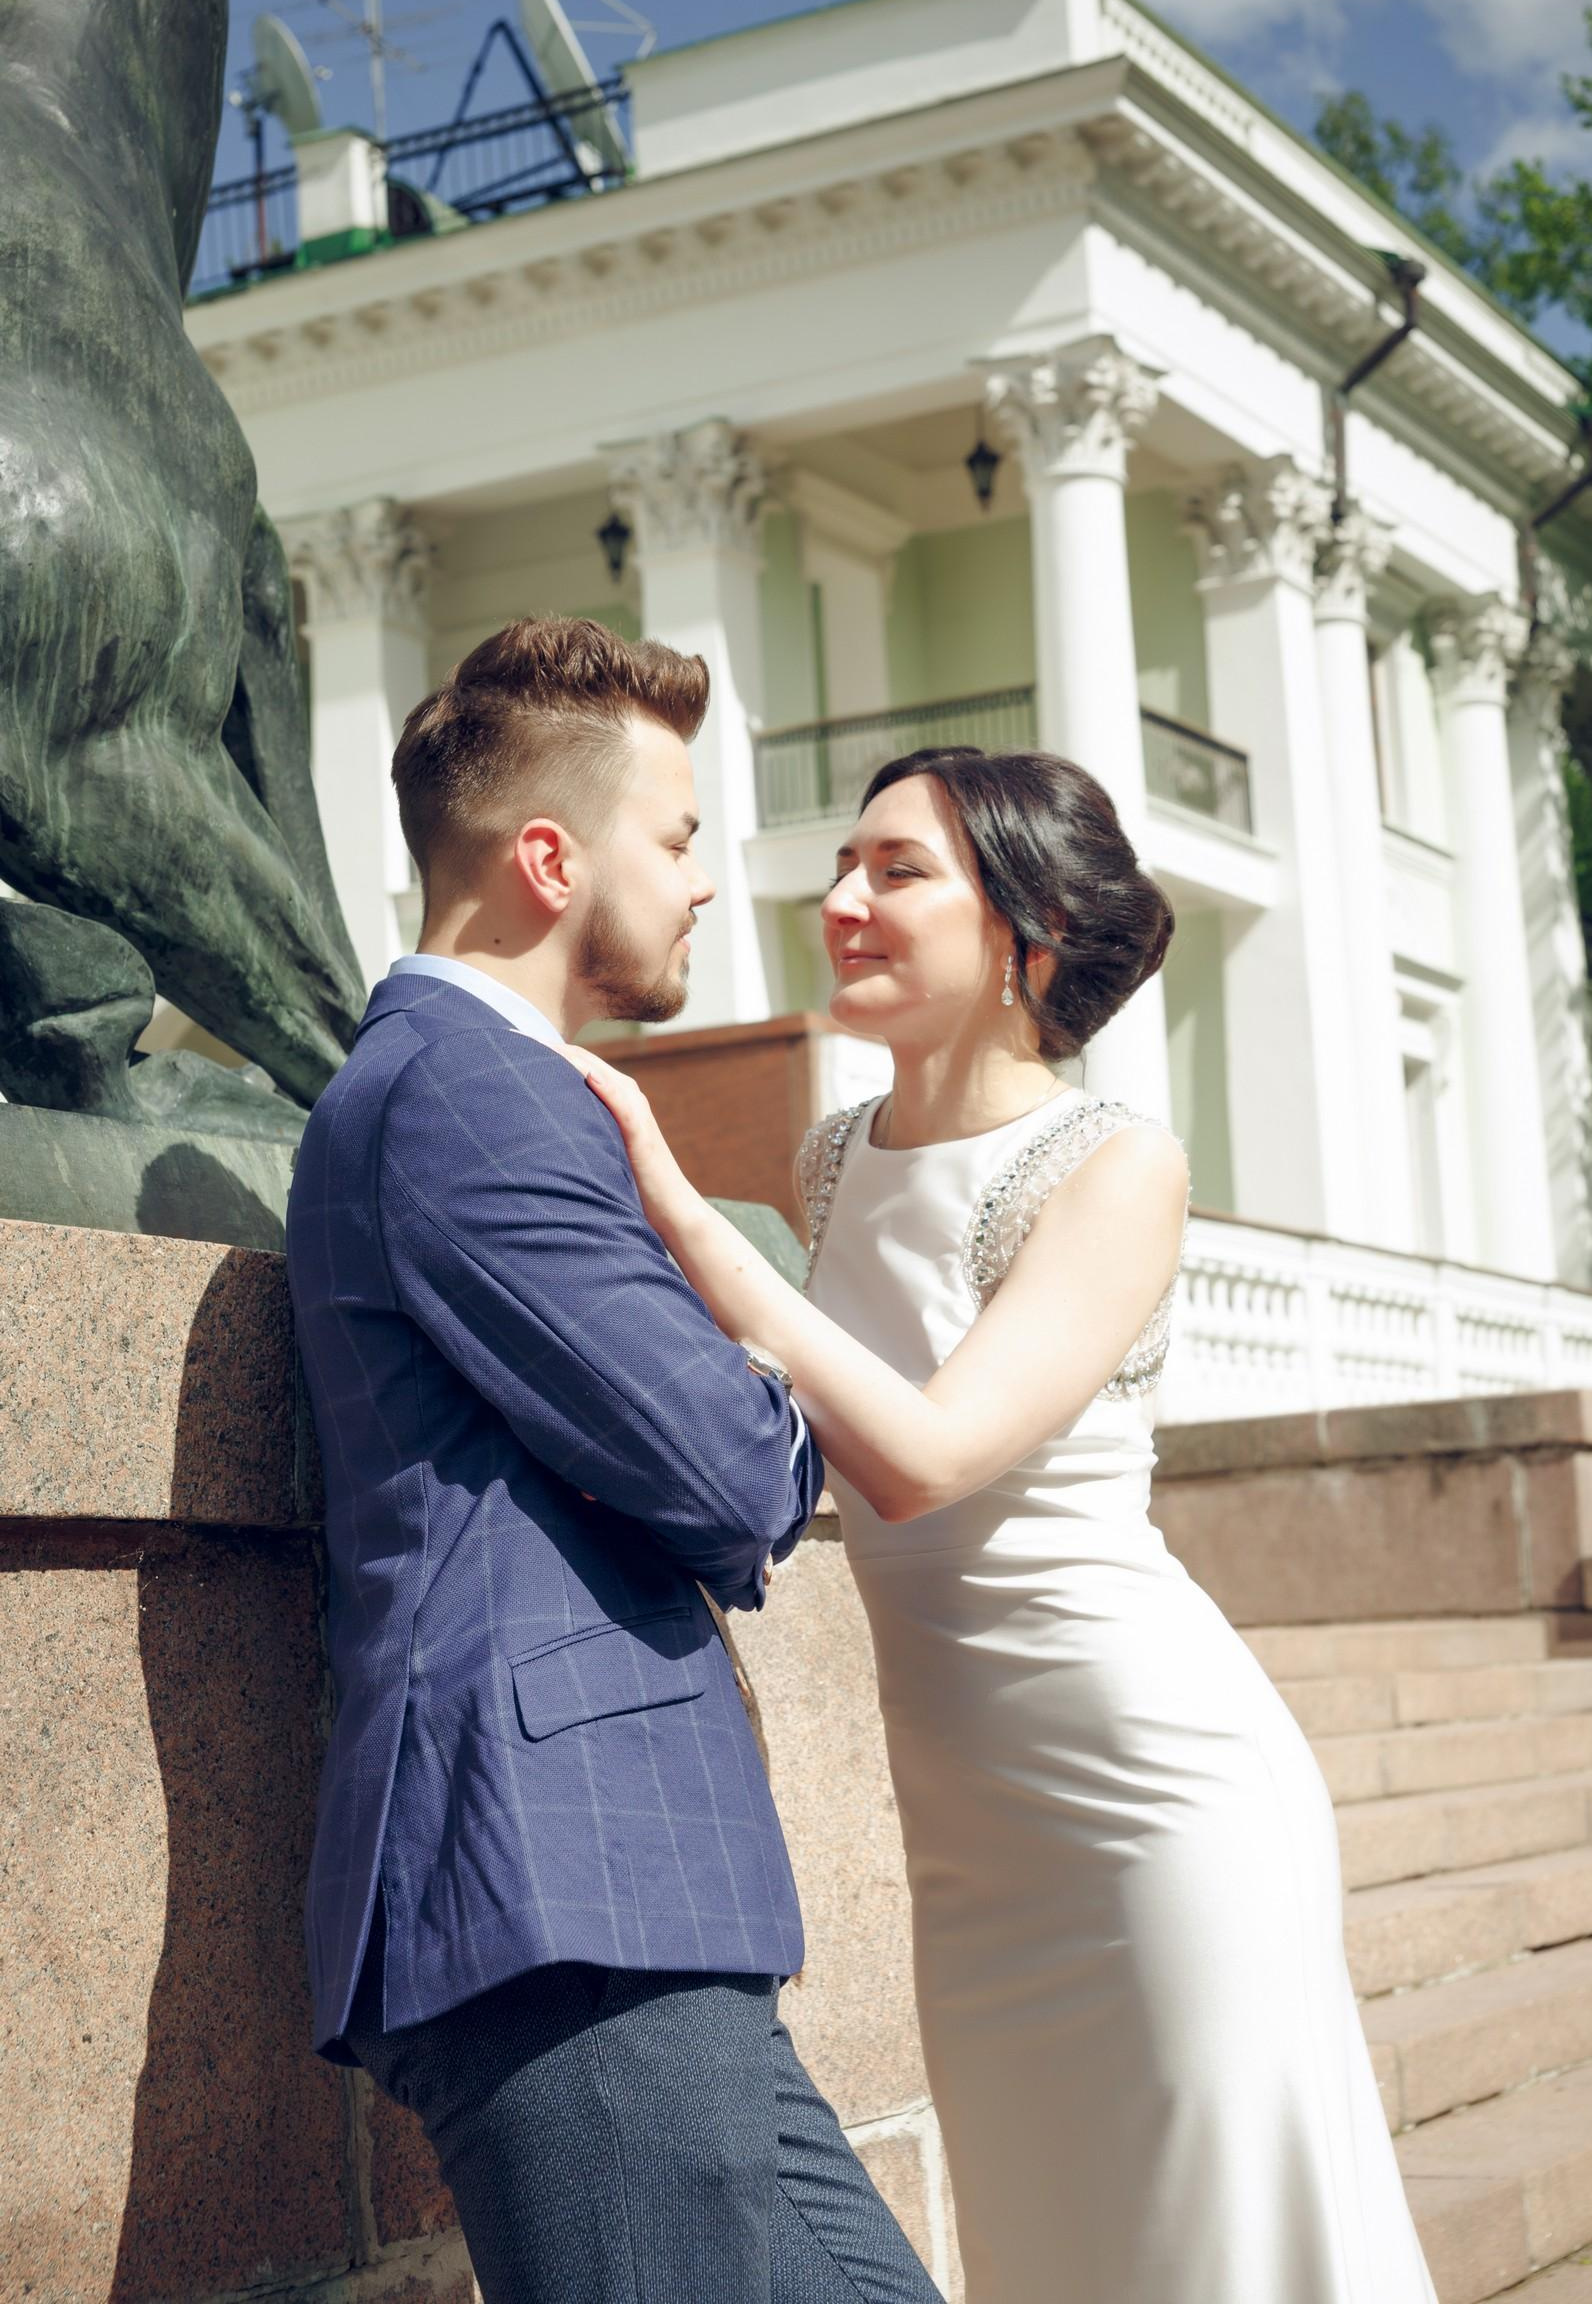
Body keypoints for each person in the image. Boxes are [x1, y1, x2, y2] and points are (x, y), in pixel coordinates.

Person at [570, 744, 1439, 2304]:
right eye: (842, 865)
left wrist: (685, 1217)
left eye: (895, 872)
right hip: (977, 1847)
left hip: (1156, 1815)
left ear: (1023, 932)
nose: (838, 901)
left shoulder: (1117, 1164)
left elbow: (919, 1457)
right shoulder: (834, 1159)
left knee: (1216, 2253)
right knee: (1055, 2253)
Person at [284, 618, 943, 2304]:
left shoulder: (490, 1092)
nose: (708, 883)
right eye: (678, 837)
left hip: (623, 1908)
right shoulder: (463, 1095)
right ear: (550, 857)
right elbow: (730, 1477)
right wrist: (768, 1380)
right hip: (563, 1898)